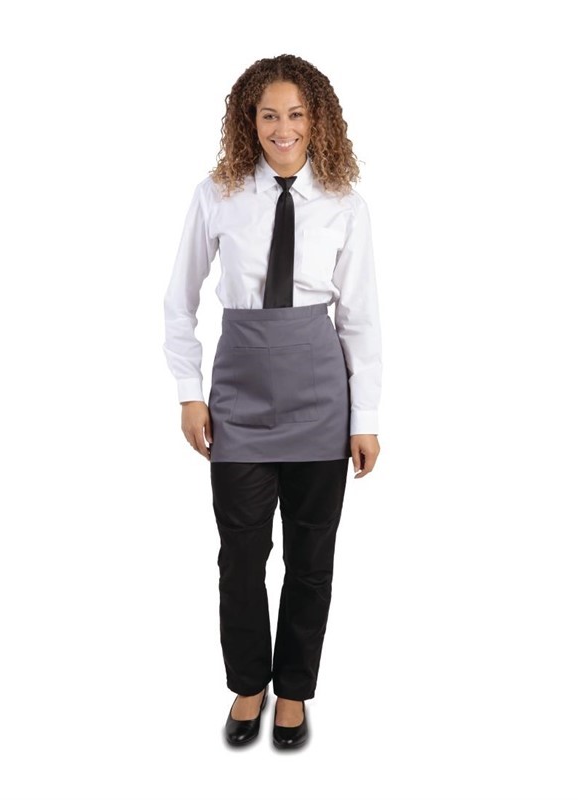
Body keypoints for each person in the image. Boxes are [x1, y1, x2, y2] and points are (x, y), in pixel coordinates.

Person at [162, 54, 382, 749]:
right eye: (268, 115)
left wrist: (366, 417)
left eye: (295, 114)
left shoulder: (345, 203)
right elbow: (179, 302)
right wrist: (190, 394)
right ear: (248, 121)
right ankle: (248, 684)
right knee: (241, 557)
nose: (282, 128)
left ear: (317, 120)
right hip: (239, 397)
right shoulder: (218, 194)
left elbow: (360, 318)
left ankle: (293, 692)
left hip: (321, 398)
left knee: (311, 558)